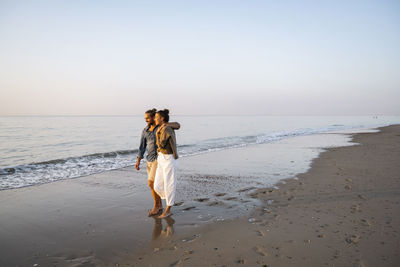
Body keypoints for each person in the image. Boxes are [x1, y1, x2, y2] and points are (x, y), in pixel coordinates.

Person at [135, 108, 180, 216]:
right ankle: (159, 205)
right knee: (155, 185)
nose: (146, 120)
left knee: (154, 182)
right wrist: (138, 161)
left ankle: (160, 206)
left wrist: (165, 124)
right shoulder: (145, 131)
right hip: (151, 159)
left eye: (148, 118)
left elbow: (177, 125)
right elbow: (142, 146)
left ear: (155, 118)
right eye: (145, 118)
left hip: (161, 158)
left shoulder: (162, 127)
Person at [153, 109, 179, 219]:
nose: (154, 119)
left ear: (162, 118)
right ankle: (168, 199)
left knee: (169, 184)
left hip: (168, 158)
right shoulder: (160, 128)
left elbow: (163, 143)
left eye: (156, 117)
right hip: (161, 158)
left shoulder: (167, 128)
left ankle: (168, 208)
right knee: (157, 186)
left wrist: (162, 128)